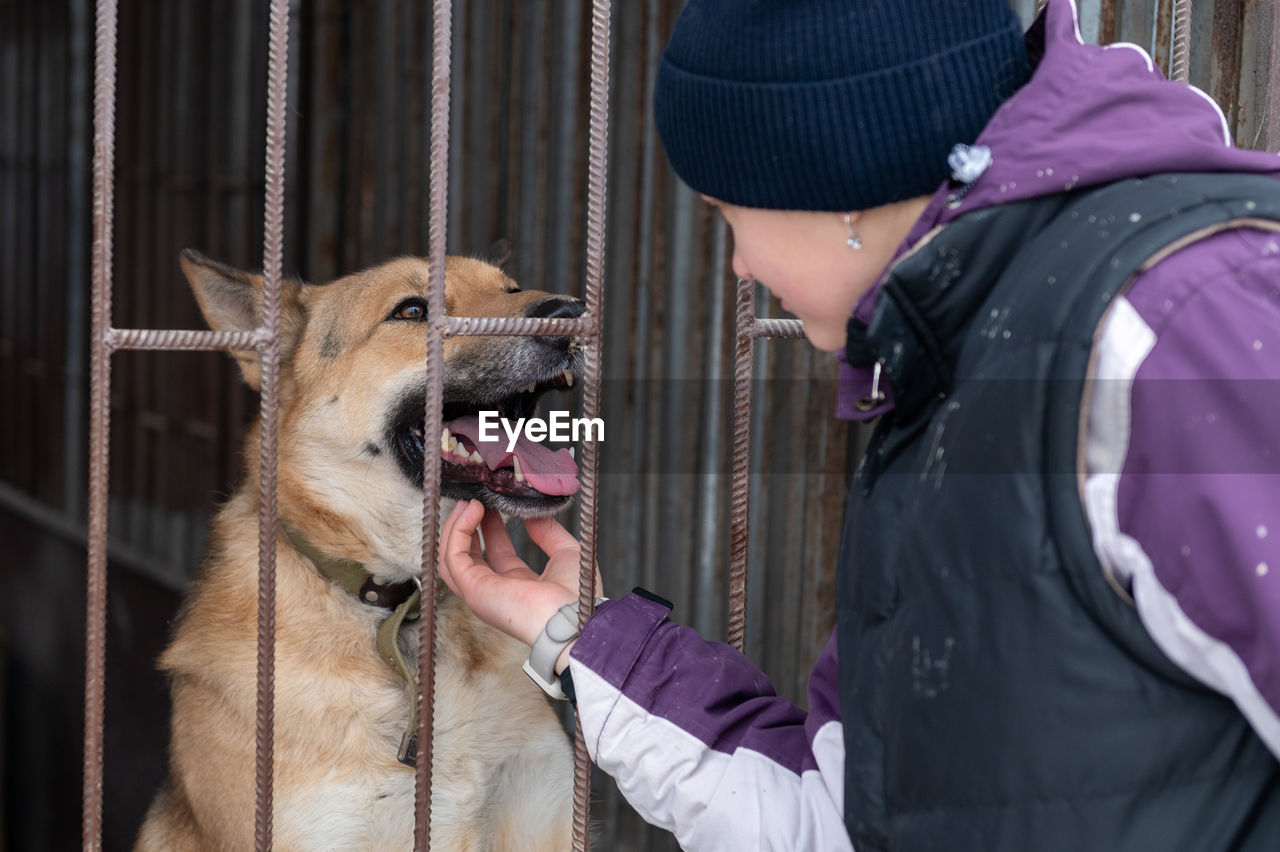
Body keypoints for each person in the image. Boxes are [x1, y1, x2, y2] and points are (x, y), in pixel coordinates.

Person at [439, 0, 1280, 848]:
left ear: (826, 174)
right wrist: (582, 637)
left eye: (728, 214)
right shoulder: (957, 384)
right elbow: (849, 819)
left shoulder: (1172, 336)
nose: (738, 264)